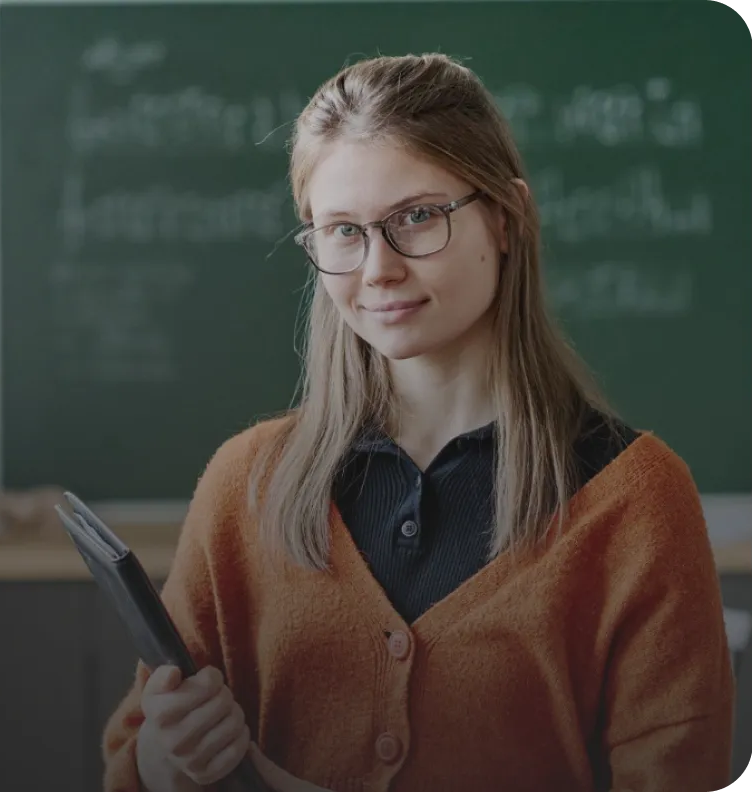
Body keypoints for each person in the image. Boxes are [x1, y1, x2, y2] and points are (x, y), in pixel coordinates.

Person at [102, 53, 734, 792]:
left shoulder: (637, 502)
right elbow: (136, 754)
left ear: (505, 217)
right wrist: (162, 763)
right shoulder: (246, 484)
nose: (377, 269)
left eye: (415, 217)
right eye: (342, 230)